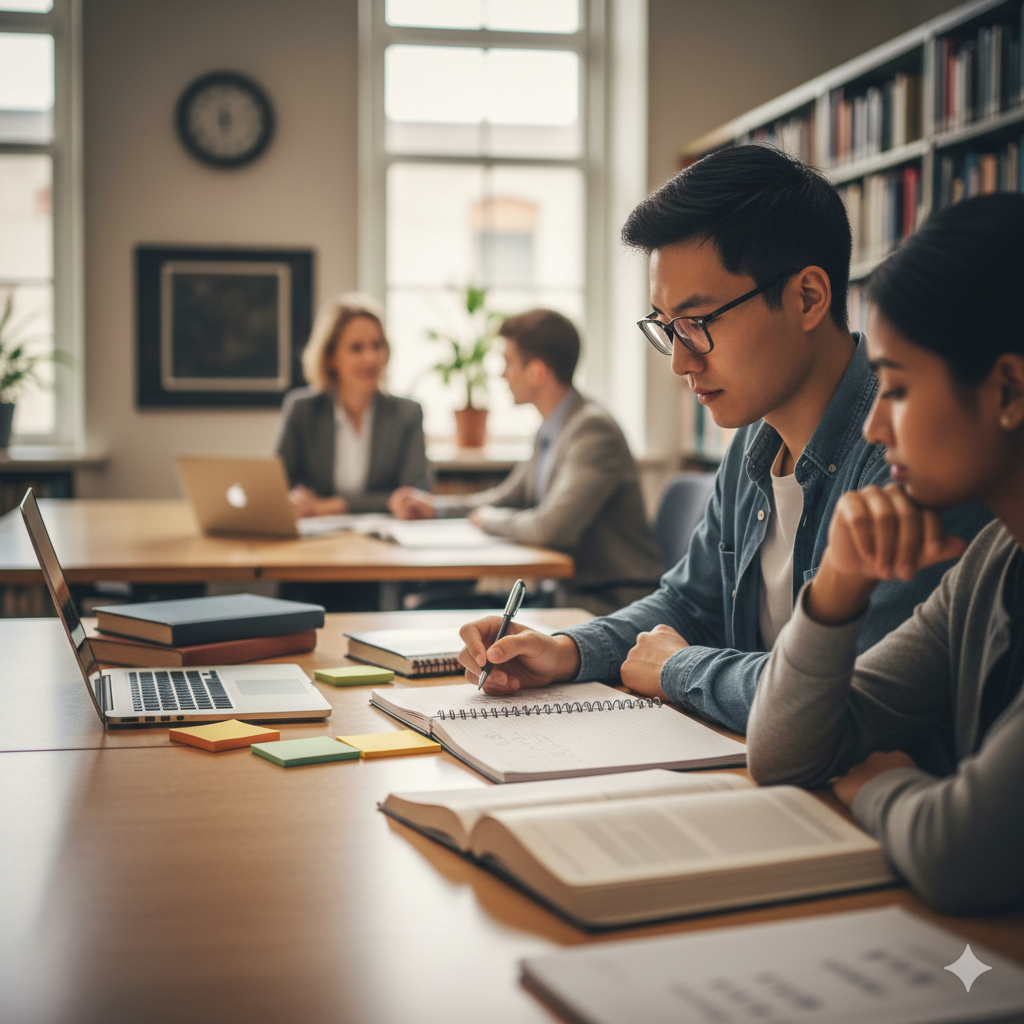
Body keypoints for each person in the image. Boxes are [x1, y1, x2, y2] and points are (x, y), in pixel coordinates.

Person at [456, 145, 987, 742]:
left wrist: (680, 669)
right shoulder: (754, 439)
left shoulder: (919, 455)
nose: (680, 361)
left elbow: (849, 695)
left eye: (698, 322)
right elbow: (689, 604)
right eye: (666, 327)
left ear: (808, 298)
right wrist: (565, 650)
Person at [746, 194, 1024, 913]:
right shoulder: (994, 561)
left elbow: (960, 853)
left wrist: (877, 785)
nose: (873, 426)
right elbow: (784, 751)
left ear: (1009, 389)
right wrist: (839, 582)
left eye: (896, 388)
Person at [390, 308, 661, 613]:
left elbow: (550, 528)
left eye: (508, 363)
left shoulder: (593, 432)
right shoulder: (551, 427)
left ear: (537, 372)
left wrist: (488, 520)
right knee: (430, 606)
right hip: (567, 594)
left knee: (449, 615)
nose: (502, 375)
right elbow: (508, 497)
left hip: (609, 600)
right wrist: (435, 508)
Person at [274, 293, 429, 516]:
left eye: (377, 346)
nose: (371, 358)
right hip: (315, 541)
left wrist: (330, 506)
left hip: (384, 542)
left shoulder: (407, 413)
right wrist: (292, 500)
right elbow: (276, 486)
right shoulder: (302, 409)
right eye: (357, 348)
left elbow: (414, 494)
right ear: (331, 357)